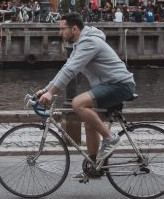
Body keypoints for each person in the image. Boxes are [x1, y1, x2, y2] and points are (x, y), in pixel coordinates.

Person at [35, 13, 136, 180]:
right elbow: (65, 68)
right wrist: (45, 89)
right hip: (108, 85)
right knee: (90, 123)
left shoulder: (89, 42)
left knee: (77, 103)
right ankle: (94, 167)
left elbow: (70, 71)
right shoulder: (79, 45)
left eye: (62, 29)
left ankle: (110, 139)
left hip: (120, 85)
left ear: (74, 29)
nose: (60, 33)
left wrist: (51, 93)